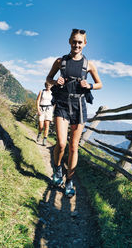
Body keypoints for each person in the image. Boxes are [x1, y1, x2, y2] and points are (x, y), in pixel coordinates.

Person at [46, 28, 102, 198]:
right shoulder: (60, 61)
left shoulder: (89, 64)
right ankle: (57, 171)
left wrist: (90, 86)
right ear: (69, 41)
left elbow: (99, 84)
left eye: (80, 42)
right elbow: (48, 79)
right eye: (74, 41)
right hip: (62, 104)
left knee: (73, 146)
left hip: (79, 106)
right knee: (61, 144)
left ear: (85, 44)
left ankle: (69, 180)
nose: (76, 44)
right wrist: (55, 81)